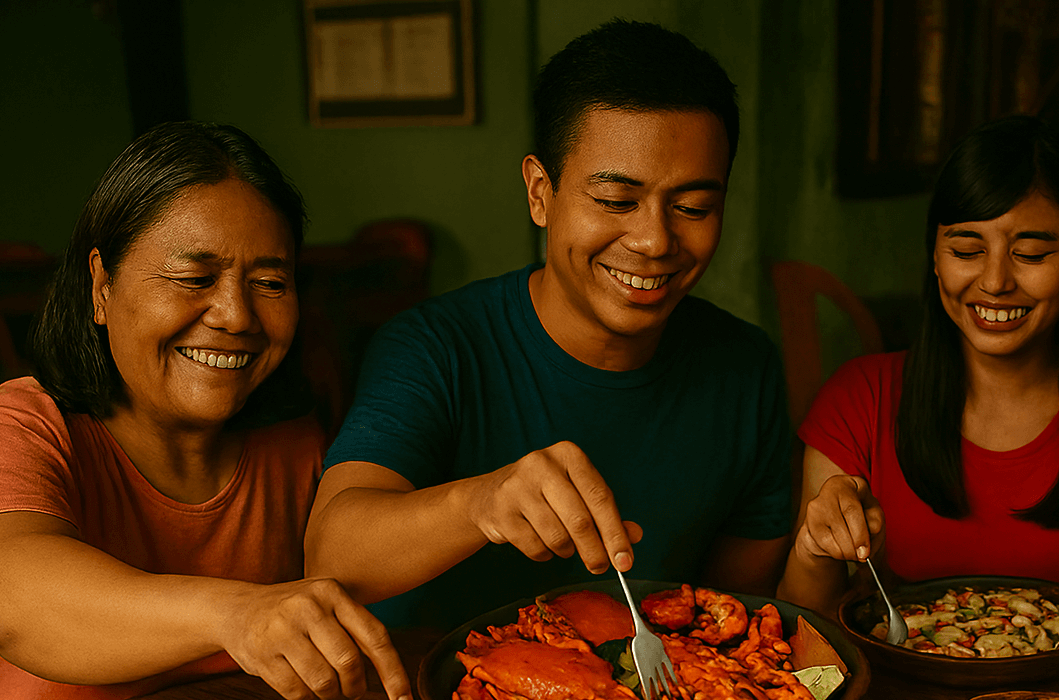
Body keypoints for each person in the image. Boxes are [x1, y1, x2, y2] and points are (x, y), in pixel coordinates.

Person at [305, 20, 792, 630]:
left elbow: (734, 614)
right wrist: (481, 502)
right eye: (616, 202)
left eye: (694, 207)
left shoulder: (745, 367)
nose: (653, 240)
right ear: (541, 193)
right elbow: (330, 553)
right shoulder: (433, 347)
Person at [0, 122, 413, 700]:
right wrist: (239, 613)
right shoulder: (13, 427)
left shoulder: (293, 447)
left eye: (269, 283)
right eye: (193, 279)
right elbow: (10, 603)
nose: (235, 315)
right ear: (102, 286)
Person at [778, 116, 1059, 637]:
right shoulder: (858, 399)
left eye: (1031, 254)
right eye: (966, 250)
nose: (995, 282)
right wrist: (816, 548)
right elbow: (806, 629)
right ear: (934, 252)